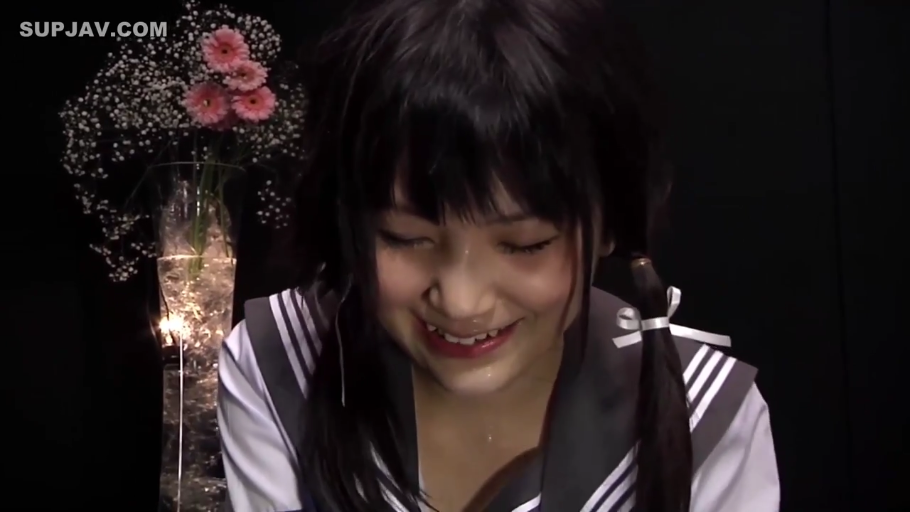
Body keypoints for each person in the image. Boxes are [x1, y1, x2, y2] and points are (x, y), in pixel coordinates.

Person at [216, 0, 780, 510]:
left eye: (524, 244)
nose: (461, 302)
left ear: (612, 223)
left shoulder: (707, 416)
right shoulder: (277, 364)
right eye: (404, 237)